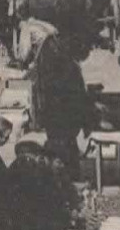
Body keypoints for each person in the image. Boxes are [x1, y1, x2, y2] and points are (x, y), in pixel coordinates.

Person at [30, 35, 92, 174]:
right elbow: (79, 96)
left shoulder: (52, 49)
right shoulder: (68, 66)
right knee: (63, 146)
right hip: (60, 116)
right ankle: (65, 169)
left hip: (55, 115)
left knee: (64, 144)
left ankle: (65, 165)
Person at [12, 2, 58, 70]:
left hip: (46, 46)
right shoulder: (35, 22)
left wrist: (20, 60)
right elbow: (54, 31)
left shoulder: (25, 27)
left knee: (31, 68)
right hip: (56, 43)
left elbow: (24, 51)